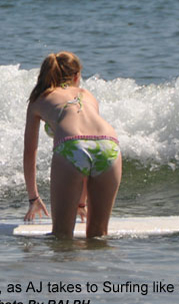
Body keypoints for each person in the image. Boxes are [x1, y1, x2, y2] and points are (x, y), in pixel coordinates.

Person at [22, 52, 122, 239]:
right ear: (76, 76)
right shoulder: (87, 95)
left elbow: (30, 152)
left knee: (61, 237)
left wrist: (33, 198)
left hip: (72, 144)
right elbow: (89, 150)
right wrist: (81, 203)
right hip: (109, 144)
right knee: (98, 236)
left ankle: (65, 269)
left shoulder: (40, 98)